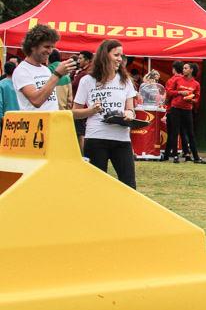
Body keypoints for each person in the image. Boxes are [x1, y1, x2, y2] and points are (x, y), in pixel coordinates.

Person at [72, 40, 137, 188]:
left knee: (129, 185)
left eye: (121, 55)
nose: (120, 59)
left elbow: (131, 109)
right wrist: (91, 110)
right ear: (104, 56)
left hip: (121, 139)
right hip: (96, 138)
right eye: (116, 55)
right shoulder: (87, 80)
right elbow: (74, 112)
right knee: (96, 186)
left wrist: (129, 114)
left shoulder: (125, 81)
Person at [13, 24, 79, 112]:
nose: (50, 51)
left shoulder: (46, 70)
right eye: (47, 47)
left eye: (52, 47)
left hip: (51, 123)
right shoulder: (22, 70)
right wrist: (57, 74)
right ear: (32, 46)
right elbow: (36, 101)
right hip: (35, 124)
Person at [165, 62, 206, 164]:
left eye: (186, 68)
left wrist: (192, 100)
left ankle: (196, 157)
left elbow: (197, 97)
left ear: (191, 70)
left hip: (187, 109)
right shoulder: (178, 80)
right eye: (183, 68)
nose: (183, 70)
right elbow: (169, 92)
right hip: (175, 108)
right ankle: (175, 156)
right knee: (175, 131)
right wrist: (180, 92)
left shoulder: (196, 84)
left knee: (190, 133)